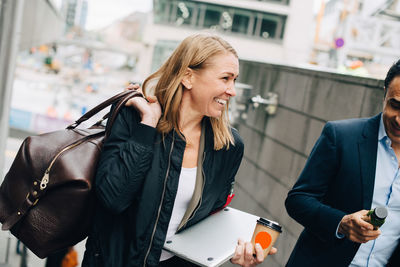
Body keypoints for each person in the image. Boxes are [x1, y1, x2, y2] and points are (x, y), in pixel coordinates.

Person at [82, 33, 275, 267]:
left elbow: (211, 218)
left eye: (234, 80)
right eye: (225, 78)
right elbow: (112, 198)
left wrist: (233, 250)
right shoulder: (134, 118)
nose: (232, 90)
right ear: (188, 77)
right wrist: (148, 126)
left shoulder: (229, 145)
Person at [285, 59, 400, 267]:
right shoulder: (341, 136)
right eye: (395, 105)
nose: (399, 119)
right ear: (384, 94)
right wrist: (341, 223)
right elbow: (298, 200)